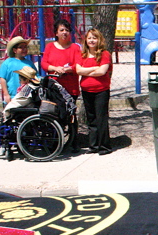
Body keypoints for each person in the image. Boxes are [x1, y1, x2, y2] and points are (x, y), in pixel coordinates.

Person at [41, 19, 82, 153]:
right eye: (61, 30)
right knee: (54, 115)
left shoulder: (75, 47)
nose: (65, 33)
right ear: (56, 33)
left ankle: (74, 142)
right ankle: (55, 142)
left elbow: (78, 65)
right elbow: (44, 64)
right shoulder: (50, 47)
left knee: (71, 115)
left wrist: (68, 69)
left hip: (71, 87)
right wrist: (54, 68)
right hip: (54, 88)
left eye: (67, 30)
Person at [76, 28, 113, 156]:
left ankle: (104, 146)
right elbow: (78, 71)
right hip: (86, 90)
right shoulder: (82, 55)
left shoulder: (104, 54)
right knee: (91, 118)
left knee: (101, 118)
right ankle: (93, 145)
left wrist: (86, 71)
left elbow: (102, 72)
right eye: (89, 38)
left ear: (99, 40)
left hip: (101, 91)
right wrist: (93, 68)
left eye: (94, 38)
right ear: (86, 40)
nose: (92, 40)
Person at [0, 36, 38, 104]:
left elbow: (36, 77)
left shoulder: (29, 63)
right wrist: (6, 94)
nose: (24, 49)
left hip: (27, 97)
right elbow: (2, 78)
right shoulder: (7, 62)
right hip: (12, 97)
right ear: (14, 50)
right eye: (21, 47)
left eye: (25, 47)